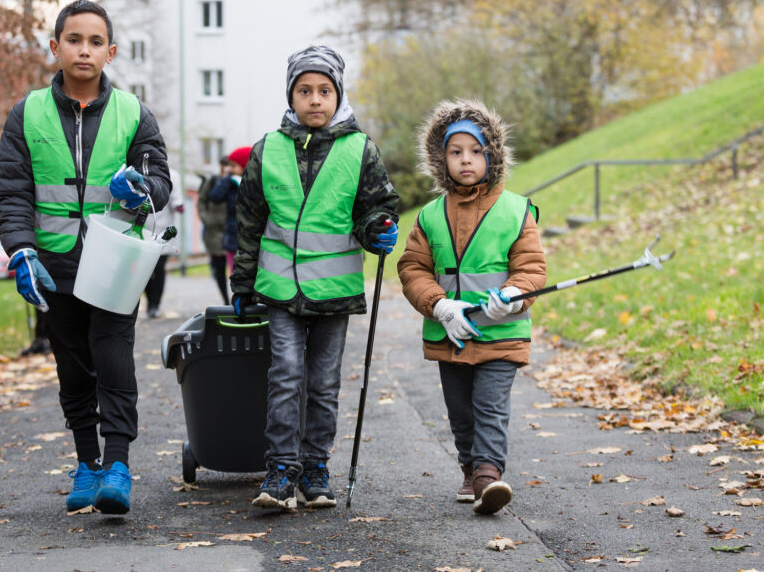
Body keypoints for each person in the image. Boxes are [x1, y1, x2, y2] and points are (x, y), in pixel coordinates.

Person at [0, 0, 171, 516]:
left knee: (112, 356)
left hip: (114, 262)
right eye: (74, 39)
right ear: (55, 47)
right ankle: (87, 464)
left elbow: (160, 181)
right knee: (71, 365)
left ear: (111, 52)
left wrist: (142, 192)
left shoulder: (134, 113)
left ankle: (118, 466)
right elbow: (11, 190)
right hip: (52, 264)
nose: (84, 49)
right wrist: (21, 250)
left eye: (96, 42)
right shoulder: (27, 113)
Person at [229, 45, 399, 510]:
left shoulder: (360, 150)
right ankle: (281, 469)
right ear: (291, 96)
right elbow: (248, 222)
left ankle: (315, 465)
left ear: (339, 94)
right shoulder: (268, 151)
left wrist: (377, 231)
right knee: (285, 375)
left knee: (323, 384)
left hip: (335, 292)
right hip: (281, 288)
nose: (315, 99)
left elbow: (376, 208)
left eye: (325, 90)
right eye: (305, 90)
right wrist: (243, 284)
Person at [397, 99, 546, 515]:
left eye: (476, 151)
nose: (466, 160)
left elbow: (532, 270)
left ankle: (488, 476)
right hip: (451, 334)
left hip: (501, 332)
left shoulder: (516, 210)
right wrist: (439, 306)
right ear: (441, 159)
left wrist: (512, 297)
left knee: (490, 407)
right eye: (456, 152)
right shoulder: (428, 216)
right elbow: (412, 268)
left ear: (491, 156)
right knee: (461, 413)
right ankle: (469, 468)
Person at [143, 167, 183, 318]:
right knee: (145, 269)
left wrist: (179, 205)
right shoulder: (140, 172)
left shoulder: (173, 175)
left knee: (159, 268)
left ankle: (155, 305)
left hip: (163, 229)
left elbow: (176, 197)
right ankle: (149, 303)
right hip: (143, 228)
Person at [209, 146, 250, 272]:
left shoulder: (253, 183)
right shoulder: (230, 183)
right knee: (235, 274)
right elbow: (215, 196)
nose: (229, 169)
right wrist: (227, 180)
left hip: (250, 239)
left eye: (233, 166)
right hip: (232, 236)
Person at [197, 159, 229, 305]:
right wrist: (206, 218)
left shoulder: (236, 181)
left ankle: (238, 301)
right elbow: (201, 201)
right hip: (214, 232)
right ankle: (226, 300)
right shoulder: (212, 181)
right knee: (219, 268)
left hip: (233, 230)